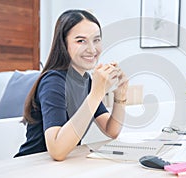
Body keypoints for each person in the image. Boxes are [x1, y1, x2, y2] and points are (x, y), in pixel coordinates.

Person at [14, 9, 128, 161]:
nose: (92, 49)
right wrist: (96, 93)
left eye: (96, 40)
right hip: (32, 166)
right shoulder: (53, 81)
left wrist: (120, 94)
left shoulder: (85, 80)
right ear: (63, 44)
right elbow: (57, 150)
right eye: (81, 41)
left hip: (61, 167)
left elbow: (111, 129)